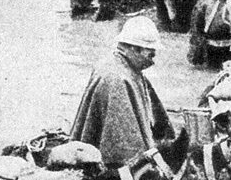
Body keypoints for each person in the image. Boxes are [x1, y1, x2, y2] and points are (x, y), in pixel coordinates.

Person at [71, 16, 176, 168]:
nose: (153, 61)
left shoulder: (129, 69)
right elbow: (123, 148)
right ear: (134, 49)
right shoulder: (116, 79)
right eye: (150, 53)